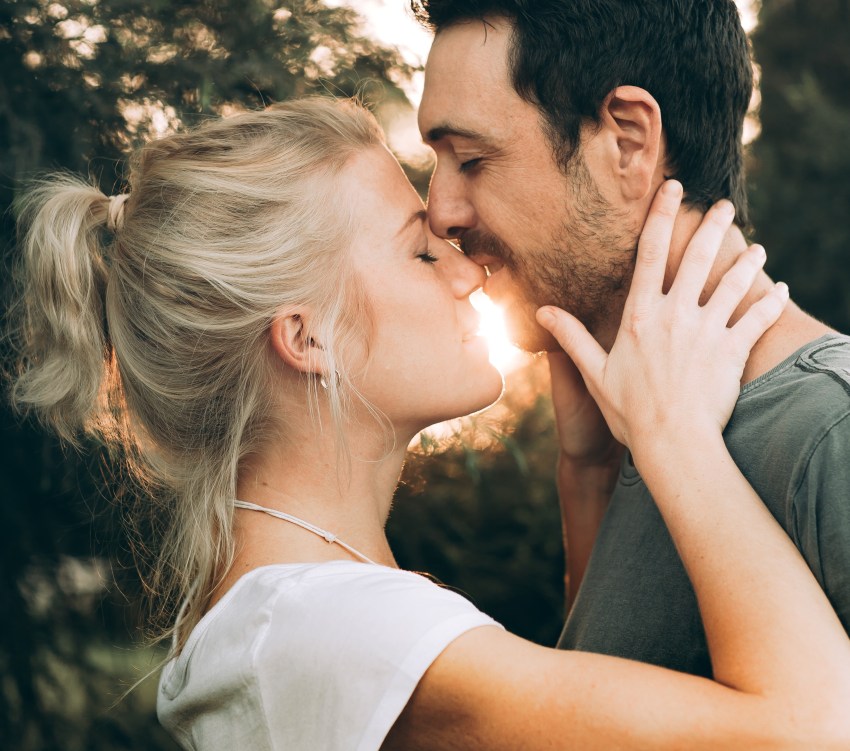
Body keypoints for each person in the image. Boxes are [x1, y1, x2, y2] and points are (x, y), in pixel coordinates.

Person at [8, 97, 850, 750]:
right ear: (309, 336)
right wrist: (680, 442)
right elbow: (810, 730)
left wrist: (587, 472)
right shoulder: (321, 628)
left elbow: (583, 705)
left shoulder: (309, 609)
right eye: (420, 251)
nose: (466, 263)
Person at [413, 0, 850, 675]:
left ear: (628, 142)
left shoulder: (832, 432)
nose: (440, 210)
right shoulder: (631, 426)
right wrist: (588, 476)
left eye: (470, 159)